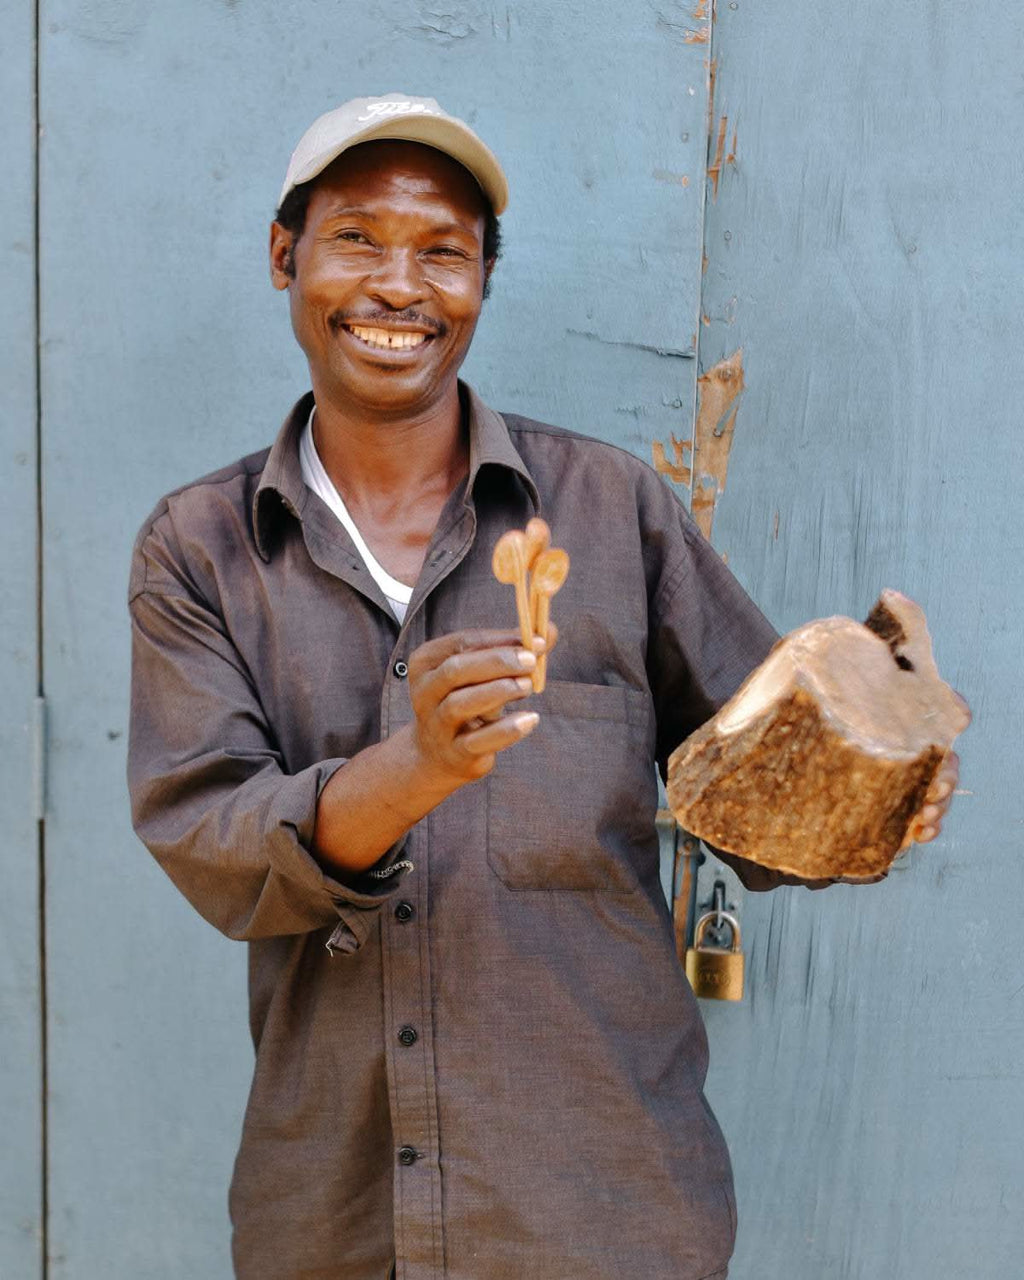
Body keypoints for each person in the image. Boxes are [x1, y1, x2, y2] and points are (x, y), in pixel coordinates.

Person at [127, 94, 959, 1280]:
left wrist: (887, 763)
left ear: (482, 281)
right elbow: (213, 844)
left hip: (604, 1204)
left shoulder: (612, 512)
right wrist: (410, 770)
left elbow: (769, 813)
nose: (399, 284)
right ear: (285, 256)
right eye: (357, 236)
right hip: (336, 1218)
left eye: (444, 250)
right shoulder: (201, 548)